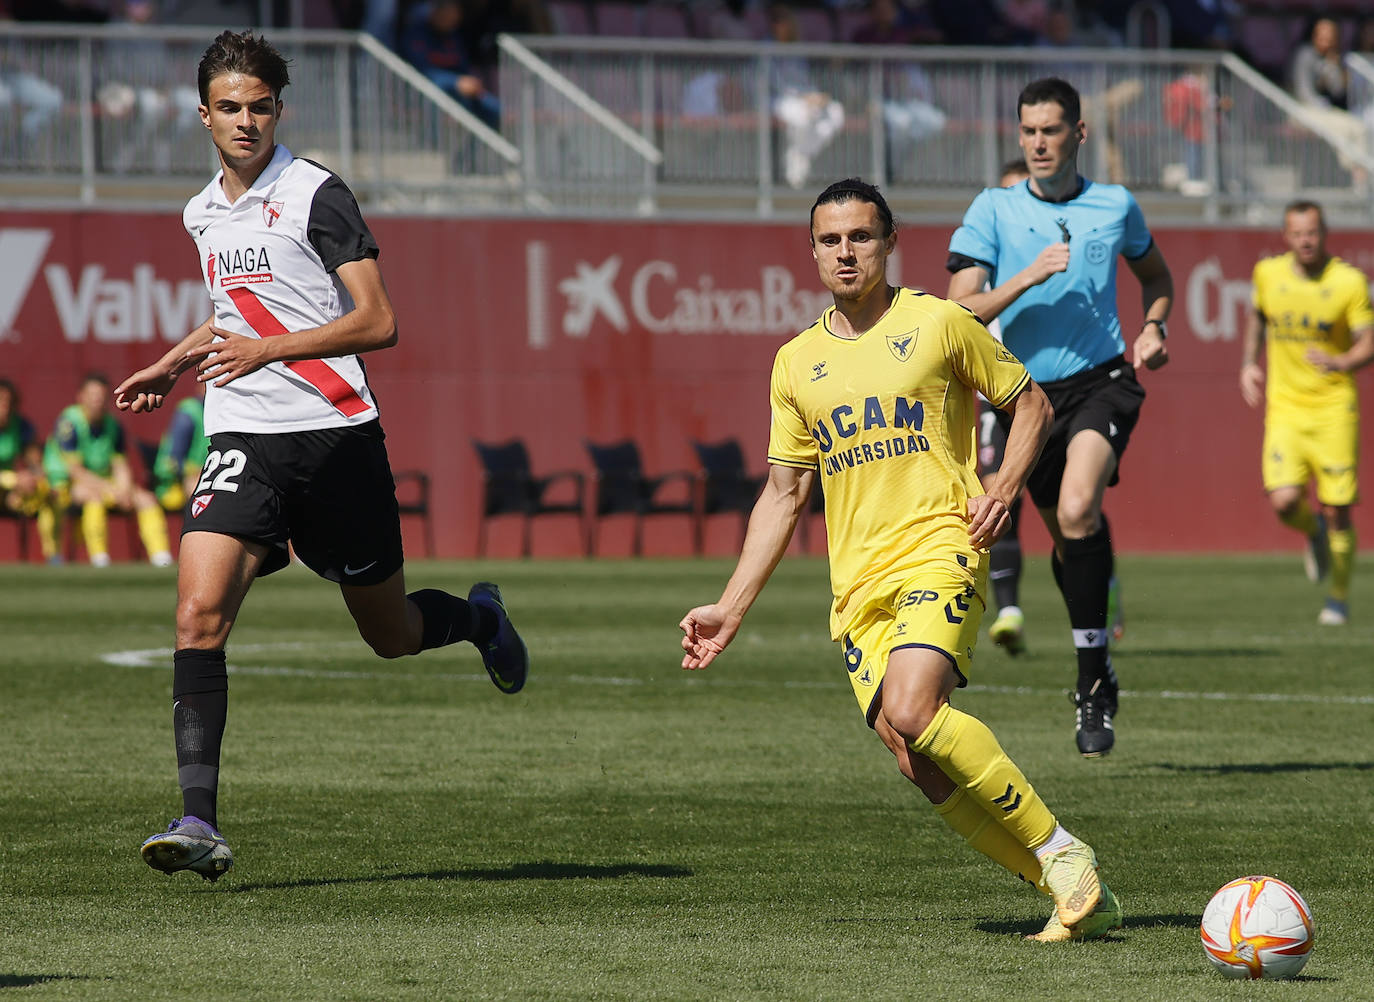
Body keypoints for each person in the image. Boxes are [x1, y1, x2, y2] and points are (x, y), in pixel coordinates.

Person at [114, 29, 529, 883]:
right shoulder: (202, 211)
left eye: (260, 107)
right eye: (229, 107)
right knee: (196, 614)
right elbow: (240, 309)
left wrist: (272, 353)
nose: (245, 121)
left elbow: (378, 322)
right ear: (204, 115)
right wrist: (177, 359)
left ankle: (480, 618)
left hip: (335, 442)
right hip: (241, 437)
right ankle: (199, 821)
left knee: (391, 633)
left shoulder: (315, 194)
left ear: (278, 111)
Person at [679, 177, 1122, 943]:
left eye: (861, 236)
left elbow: (1032, 406)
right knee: (912, 755)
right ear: (812, 251)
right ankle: (1067, 887)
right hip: (858, 586)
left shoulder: (941, 323)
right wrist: (731, 606)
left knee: (916, 709)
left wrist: (1004, 487)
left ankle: (1062, 850)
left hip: (939, 547)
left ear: (889, 243)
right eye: (830, 239)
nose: (845, 252)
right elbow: (783, 496)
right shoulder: (796, 363)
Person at [946, 77, 1173, 758]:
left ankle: (1089, 685)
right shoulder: (992, 208)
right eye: (1028, 131)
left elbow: (1156, 278)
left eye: (1050, 130)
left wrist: (1155, 328)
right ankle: (1098, 655)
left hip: (1102, 382)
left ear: (1079, 133)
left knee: (1078, 511)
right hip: (1023, 398)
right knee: (1068, 543)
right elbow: (959, 311)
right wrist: (1025, 278)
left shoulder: (1115, 205)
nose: (1038, 143)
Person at [971, 157, 1125, 657]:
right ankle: (1010, 609)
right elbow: (960, 312)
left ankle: (1096, 587)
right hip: (998, 398)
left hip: (1051, 394)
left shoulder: (1062, 255)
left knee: (1071, 523)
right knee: (997, 499)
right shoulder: (988, 245)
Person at [1241, 200, 1374, 625]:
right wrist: (1248, 363)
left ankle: (1337, 598)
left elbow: (1367, 342)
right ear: (1286, 235)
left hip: (1334, 408)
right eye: (1297, 233)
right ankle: (1312, 531)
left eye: (1312, 232)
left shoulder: (1349, 282)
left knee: (1338, 508)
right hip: (1286, 410)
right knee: (1283, 502)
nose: (1306, 240)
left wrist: (1342, 362)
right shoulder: (1268, 274)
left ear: (1324, 232)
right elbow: (1258, 319)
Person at [43, 372, 173, 568]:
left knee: (146, 499)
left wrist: (124, 489)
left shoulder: (113, 424)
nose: (97, 401)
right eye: (93, 395)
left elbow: (120, 464)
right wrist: (110, 490)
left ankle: (161, 558)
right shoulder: (69, 422)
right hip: (67, 484)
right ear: (81, 397)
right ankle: (99, 558)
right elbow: (75, 470)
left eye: (102, 396)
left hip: (105, 483)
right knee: (93, 497)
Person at [400, 0, 501, 131]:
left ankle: (471, 151)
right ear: (436, 13)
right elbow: (422, 71)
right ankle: (434, 146)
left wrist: (470, 82)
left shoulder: (453, 37)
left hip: (459, 91)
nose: (453, 18)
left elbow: (463, 68)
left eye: (455, 14)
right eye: (448, 13)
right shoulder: (416, 35)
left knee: (495, 109)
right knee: (443, 92)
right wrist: (455, 82)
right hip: (425, 91)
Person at [0, 377, 60, 563]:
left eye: (8, 402)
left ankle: (53, 556)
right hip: (9, 483)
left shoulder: (22, 426)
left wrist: (38, 479)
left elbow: (35, 463)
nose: (4, 407)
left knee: (48, 495)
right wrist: (13, 479)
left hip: (11, 493)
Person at [150, 391, 207, 514]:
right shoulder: (188, 413)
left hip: (208, 476)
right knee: (200, 490)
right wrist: (197, 472)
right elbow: (174, 460)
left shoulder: (221, 412)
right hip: (172, 485)